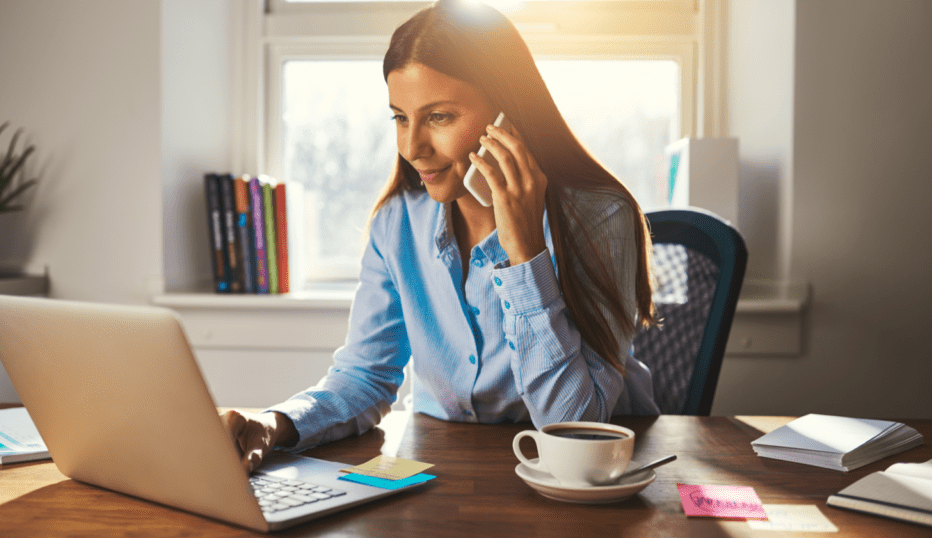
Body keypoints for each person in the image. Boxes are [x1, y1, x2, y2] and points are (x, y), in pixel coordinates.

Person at [221, 0, 660, 472]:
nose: (412, 147)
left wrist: (526, 254)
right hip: (442, 472)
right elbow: (365, 376)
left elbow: (574, 427)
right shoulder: (397, 223)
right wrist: (273, 423)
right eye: (400, 117)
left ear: (508, 116)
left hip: (590, 481)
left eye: (439, 117)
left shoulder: (597, 218)